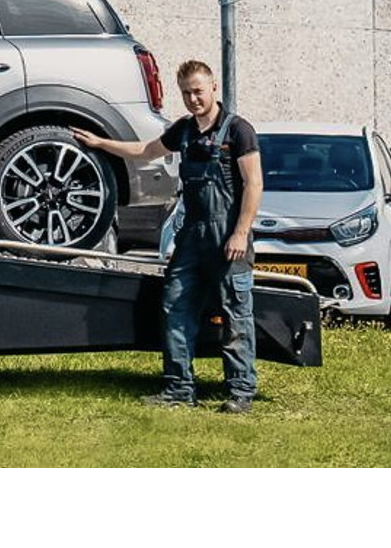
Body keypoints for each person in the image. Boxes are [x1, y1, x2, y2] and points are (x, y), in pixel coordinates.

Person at [74, 59, 262, 412]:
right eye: (186, 93)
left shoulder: (238, 131)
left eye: (198, 92)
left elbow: (254, 183)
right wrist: (101, 143)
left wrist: (240, 233)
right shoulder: (184, 131)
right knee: (175, 306)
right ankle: (179, 389)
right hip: (192, 236)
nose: (193, 99)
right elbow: (147, 150)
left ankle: (240, 392)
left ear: (213, 88)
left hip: (227, 238)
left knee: (235, 314)